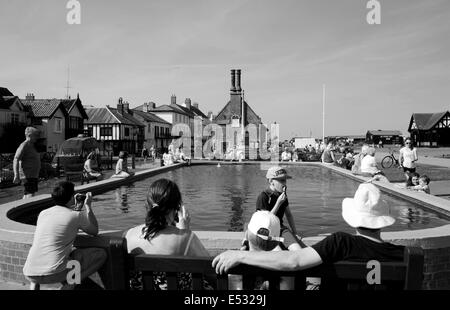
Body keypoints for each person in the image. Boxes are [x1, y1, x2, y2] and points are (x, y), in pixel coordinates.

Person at [212, 183, 405, 290]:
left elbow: (294, 261)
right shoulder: (403, 254)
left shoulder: (341, 243)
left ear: (353, 218)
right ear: (381, 221)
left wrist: (239, 255)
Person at [124, 178, 214, 290]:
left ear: (147, 204)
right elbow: (211, 270)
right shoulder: (186, 238)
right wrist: (184, 232)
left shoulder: (129, 235)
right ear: (176, 208)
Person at [23, 181, 107, 290]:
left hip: (30, 273)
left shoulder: (43, 213)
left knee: (68, 255)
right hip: (55, 273)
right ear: (72, 197)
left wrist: (77, 207)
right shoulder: (75, 216)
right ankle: (71, 285)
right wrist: (88, 206)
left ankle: (34, 287)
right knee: (101, 254)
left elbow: (63, 221)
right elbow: (94, 231)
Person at [242, 167, 304, 251]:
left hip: (280, 228)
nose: (284, 183)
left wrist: (295, 233)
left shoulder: (283, 195)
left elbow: (288, 215)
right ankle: (247, 242)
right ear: (271, 181)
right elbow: (265, 222)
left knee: (298, 250)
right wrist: (278, 203)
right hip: (265, 231)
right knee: (278, 252)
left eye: (285, 180)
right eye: (281, 180)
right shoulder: (264, 196)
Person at [13, 127, 41, 199]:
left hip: (32, 175)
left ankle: (22, 208)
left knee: (28, 194)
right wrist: (16, 175)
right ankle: (28, 209)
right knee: (30, 194)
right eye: (35, 135)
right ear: (29, 135)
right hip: (28, 175)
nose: (37, 137)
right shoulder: (24, 145)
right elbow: (16, 159)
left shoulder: (31, 145)